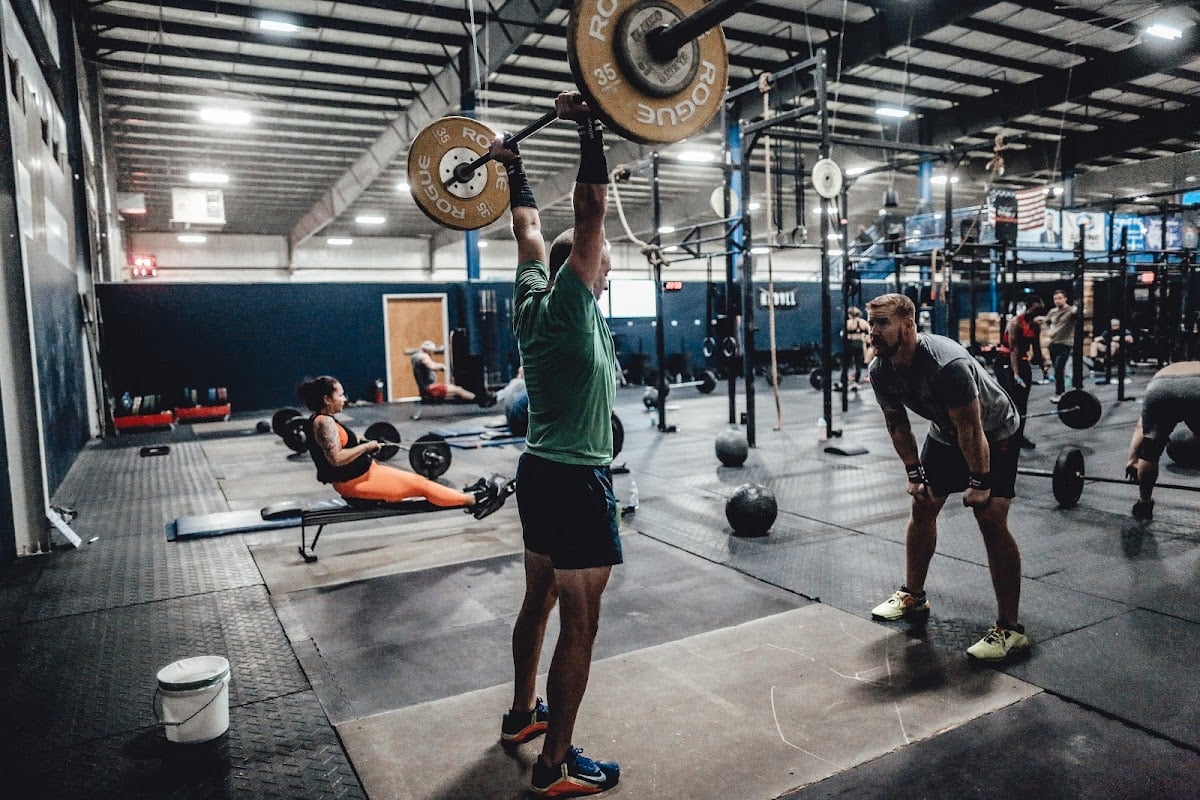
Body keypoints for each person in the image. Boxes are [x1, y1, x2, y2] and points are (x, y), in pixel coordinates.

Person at [492, 91, 622, 797]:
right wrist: (590, 125)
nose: (609, 268)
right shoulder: (573, 301)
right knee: (581, 626)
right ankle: (556, 764)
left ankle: (521, 716)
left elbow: (527, 227)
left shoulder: (530, 293)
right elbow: (587, 212)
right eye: (603, 262)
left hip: (537, 472)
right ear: (588, 267)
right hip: (575, 480)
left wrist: (512, 164)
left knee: (535, 600)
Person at [865, 293, 1030, 663]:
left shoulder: (946, 364)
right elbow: (897, 425)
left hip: (995, 431)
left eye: (881, 324)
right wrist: (914, 473)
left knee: (990, 517)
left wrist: (980, 482)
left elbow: (972, 431)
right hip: (945, 432)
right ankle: (913, 596)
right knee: (922, 505)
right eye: (871, 322)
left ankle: (1010, 629)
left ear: (907, 326)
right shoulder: (881, 370)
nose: (872, 331)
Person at [296, 375, 510, 518]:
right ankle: (476, 500)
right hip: (355, 485)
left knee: (420, 482)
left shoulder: (324, 418)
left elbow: (340, 444)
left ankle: (462, 494)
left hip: (368, 474)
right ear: (327, 399)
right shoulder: (324, 423)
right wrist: (365, 446)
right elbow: (336, 459)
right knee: (422, 487)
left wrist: (360, 442)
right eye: (340, 394)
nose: (345, 398)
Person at [1124, 361, 1200, 520]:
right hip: (1196, 385)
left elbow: (1141, 428)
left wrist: (1133, 458)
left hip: (1160, 386)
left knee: (1149, 454)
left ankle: (1144, 504)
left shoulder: (1170, 368)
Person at [994, 295, 1044, 450]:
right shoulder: (1015, 323)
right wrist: (1016, 375)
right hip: (1005, 362)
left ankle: (1018, 437)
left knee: (1022, 404)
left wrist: (1042, 364)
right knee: (1010, 400)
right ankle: (1006, 437)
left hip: (1022, 362)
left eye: (1039, 311)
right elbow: (1013, 349)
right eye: (1035, 310)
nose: (1036, 313)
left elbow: (1036, 346)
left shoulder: (1035, 325)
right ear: (1028, 307)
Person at [411, 341, 496, 407]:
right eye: (432, 352)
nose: (432, 354)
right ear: (428, 351)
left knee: (456, 388)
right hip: (431, 389)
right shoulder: (423, 356)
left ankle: (479, 398)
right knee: (458, 390)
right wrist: (441, 366)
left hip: (428, 387)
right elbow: (431, 365)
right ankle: (481, 400)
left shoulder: (415, 357)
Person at [1041, 289, 1078, 402]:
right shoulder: (1052, 312)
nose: (1057, 301)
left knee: (1058, 368)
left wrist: (1078, 306)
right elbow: (1045, 322)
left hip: (1065, 343)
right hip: (1053, 344)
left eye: (1060, 298)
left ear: (1065, 299)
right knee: (1058, 371)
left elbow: (1077, 312)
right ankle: (1061, 392)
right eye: (1055, 299)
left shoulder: (1071, 310)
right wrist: (1049, 332)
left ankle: (1061, 393)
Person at [1089, 318, 1134, 383]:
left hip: (1119, 349)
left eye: (1116, 325)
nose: (1114, 327)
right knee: (1094, 344)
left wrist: (1117, 338)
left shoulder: (1124, 331)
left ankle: (1107, 359)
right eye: (1113, 325)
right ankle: (1095, 360)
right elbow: (1101, 337)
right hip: (1107, 347)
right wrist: (1099, 339)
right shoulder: (1108, 331)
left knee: (1112, 344)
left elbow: (1130, 339)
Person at [843, 306, 872, 385]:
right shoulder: (863, 322)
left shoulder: (848, 323)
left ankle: (843, 380)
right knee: (857, 363)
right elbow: (870, 331)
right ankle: (856, 381)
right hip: (860, 344)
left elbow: (843, 334)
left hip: (851, 344)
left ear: (850, 314)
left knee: (846, 363)